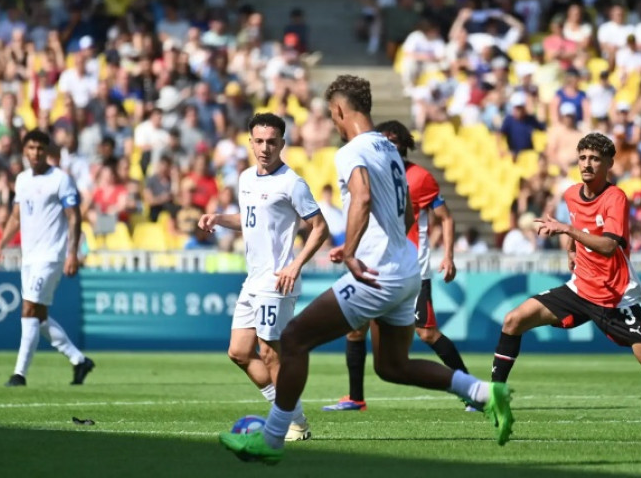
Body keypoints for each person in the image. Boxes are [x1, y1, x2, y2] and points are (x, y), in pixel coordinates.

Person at [219, 75, 513, 464]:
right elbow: (406, 210)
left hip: (376, 272)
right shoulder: (389, 149)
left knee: (292, 340)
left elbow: (362, 196)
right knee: (393, 366)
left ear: (341, 110)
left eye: (332, 116)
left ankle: (273, 438)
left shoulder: (352, 150)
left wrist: (353, 251)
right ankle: (481, 392)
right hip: (406, 270)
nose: (335, 124)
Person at [490, 132, 641, 443]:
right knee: (513, 320)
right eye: (582, 158)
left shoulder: (615, 197)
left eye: (595, 158)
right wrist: (570, 248)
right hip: (580, 288)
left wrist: (567, 230)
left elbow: (608, 245)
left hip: (616, 296)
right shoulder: (570, 194)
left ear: (608, 163)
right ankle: (494, 398)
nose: (587, 164)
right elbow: (577, 223)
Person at [322, 119, 472, 412]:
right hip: (375, 263)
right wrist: (351, 247)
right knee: (355, 331)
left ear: (405, 144)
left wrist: (449, 256)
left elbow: (446, 218)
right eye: (385, 139)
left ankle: (470, 389)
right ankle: (355, 397)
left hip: (411, 266)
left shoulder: (420, 177)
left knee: (426, 334)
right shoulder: (375, 175)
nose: (390, 144)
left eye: (396, 140)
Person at [198, 113, 329, 442]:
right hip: (253, 279)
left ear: (282, 144)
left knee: (270, 353)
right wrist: (219, 218)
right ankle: (291, 415)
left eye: (272, 141)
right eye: (259, 141)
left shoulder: (291, 182)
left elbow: (320, 227)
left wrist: (295, 264)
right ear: (250, 142)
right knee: (239, 352)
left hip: (277, 282)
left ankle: (291, 422)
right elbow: (249, 219)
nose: (265, 147)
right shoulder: (245, 178)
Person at [0, 129, 95, 387]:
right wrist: (0, 244)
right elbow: (16, 216)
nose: (35, 153)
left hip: (51, 256)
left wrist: (73, 253)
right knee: (40, 316)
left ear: (47, 152)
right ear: (24, 151)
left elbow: (74, 217)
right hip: (29, 257)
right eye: (31, 148)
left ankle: (19, 374)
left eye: (40, 148)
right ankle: (79, 360)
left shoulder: (60, 179)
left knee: (28, 309)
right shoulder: (22, 180)